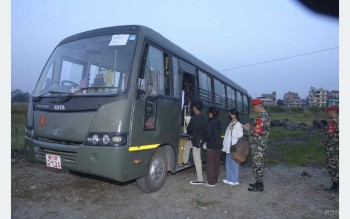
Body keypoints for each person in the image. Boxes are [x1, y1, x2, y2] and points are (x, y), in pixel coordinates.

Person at [243, 99, 270, 192]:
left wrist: (248, 129)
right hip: (259, 145)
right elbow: (258, 130)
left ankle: (260, 185)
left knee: (257, 165)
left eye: (254, 108)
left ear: (258, 106)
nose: (254, 110)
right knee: (258, 164)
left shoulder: (261, 117)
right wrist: (251, 127)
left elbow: (257, 133)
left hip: (258, 145)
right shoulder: (263, 115)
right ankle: (258, 182)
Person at [180, 101, 206, 185]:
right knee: (187, 146)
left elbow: (188, 130)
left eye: (193, 107)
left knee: (197, 159)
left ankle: (200, 179)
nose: (193, 108)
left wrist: (188, 123)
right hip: (200, 139)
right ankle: (185, 162)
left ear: (195, 108)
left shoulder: (194, 118)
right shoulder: (203, 117)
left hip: (196, 141)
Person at [222, 108, 244, 186]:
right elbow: (227, 136)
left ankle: (234, 180)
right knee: (228, 163)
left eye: (230, 114)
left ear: (234, 115)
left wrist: (233, 130)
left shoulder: (239, 125)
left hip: (234, 148)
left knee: (234, 164)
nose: (229, 115)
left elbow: (240, 135)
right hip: (229, 147)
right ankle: (228, 177)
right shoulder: (231, 123)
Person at [321, 105, 339, 193]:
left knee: (332, 166)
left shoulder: (334, 122)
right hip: (337, 148)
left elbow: (329, 134)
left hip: (333, 149)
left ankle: (336, 186)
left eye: (328, 112)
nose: (328, 113)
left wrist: (323, 140)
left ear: (333, 112)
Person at [204, 106, 223, 187]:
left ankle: (211, 182)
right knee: (216, 164)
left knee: (210, 164)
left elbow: (208, 135)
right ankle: (215, 180)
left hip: (212, 145)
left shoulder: (209, 122)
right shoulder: (218, 121)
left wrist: (205, 141)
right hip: (219, 145)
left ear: (210, 113)